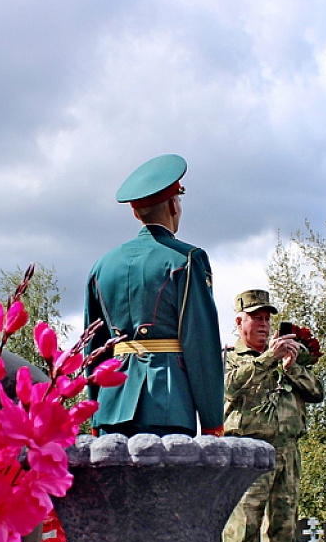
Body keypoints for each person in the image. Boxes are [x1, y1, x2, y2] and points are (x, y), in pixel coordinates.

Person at [84, 154, 225, 437]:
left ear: (136, 213)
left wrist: (94, 408)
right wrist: (212, 421)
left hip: (111, 406)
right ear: (173, 205)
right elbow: (200, 344)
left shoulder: (102, 266)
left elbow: (93, 347)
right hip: (168, 405)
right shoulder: (187, 259)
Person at [220, 289, 324, 542]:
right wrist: (269, 359)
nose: (264, 325)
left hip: (287, 450)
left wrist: (291, 366)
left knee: (283, 531)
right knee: (243, 531)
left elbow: (317, 392)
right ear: (239, 322)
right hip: (249, 451)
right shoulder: (229, 357)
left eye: (267, 319)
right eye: (256, 318)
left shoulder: (285, 358)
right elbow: (228, 387)